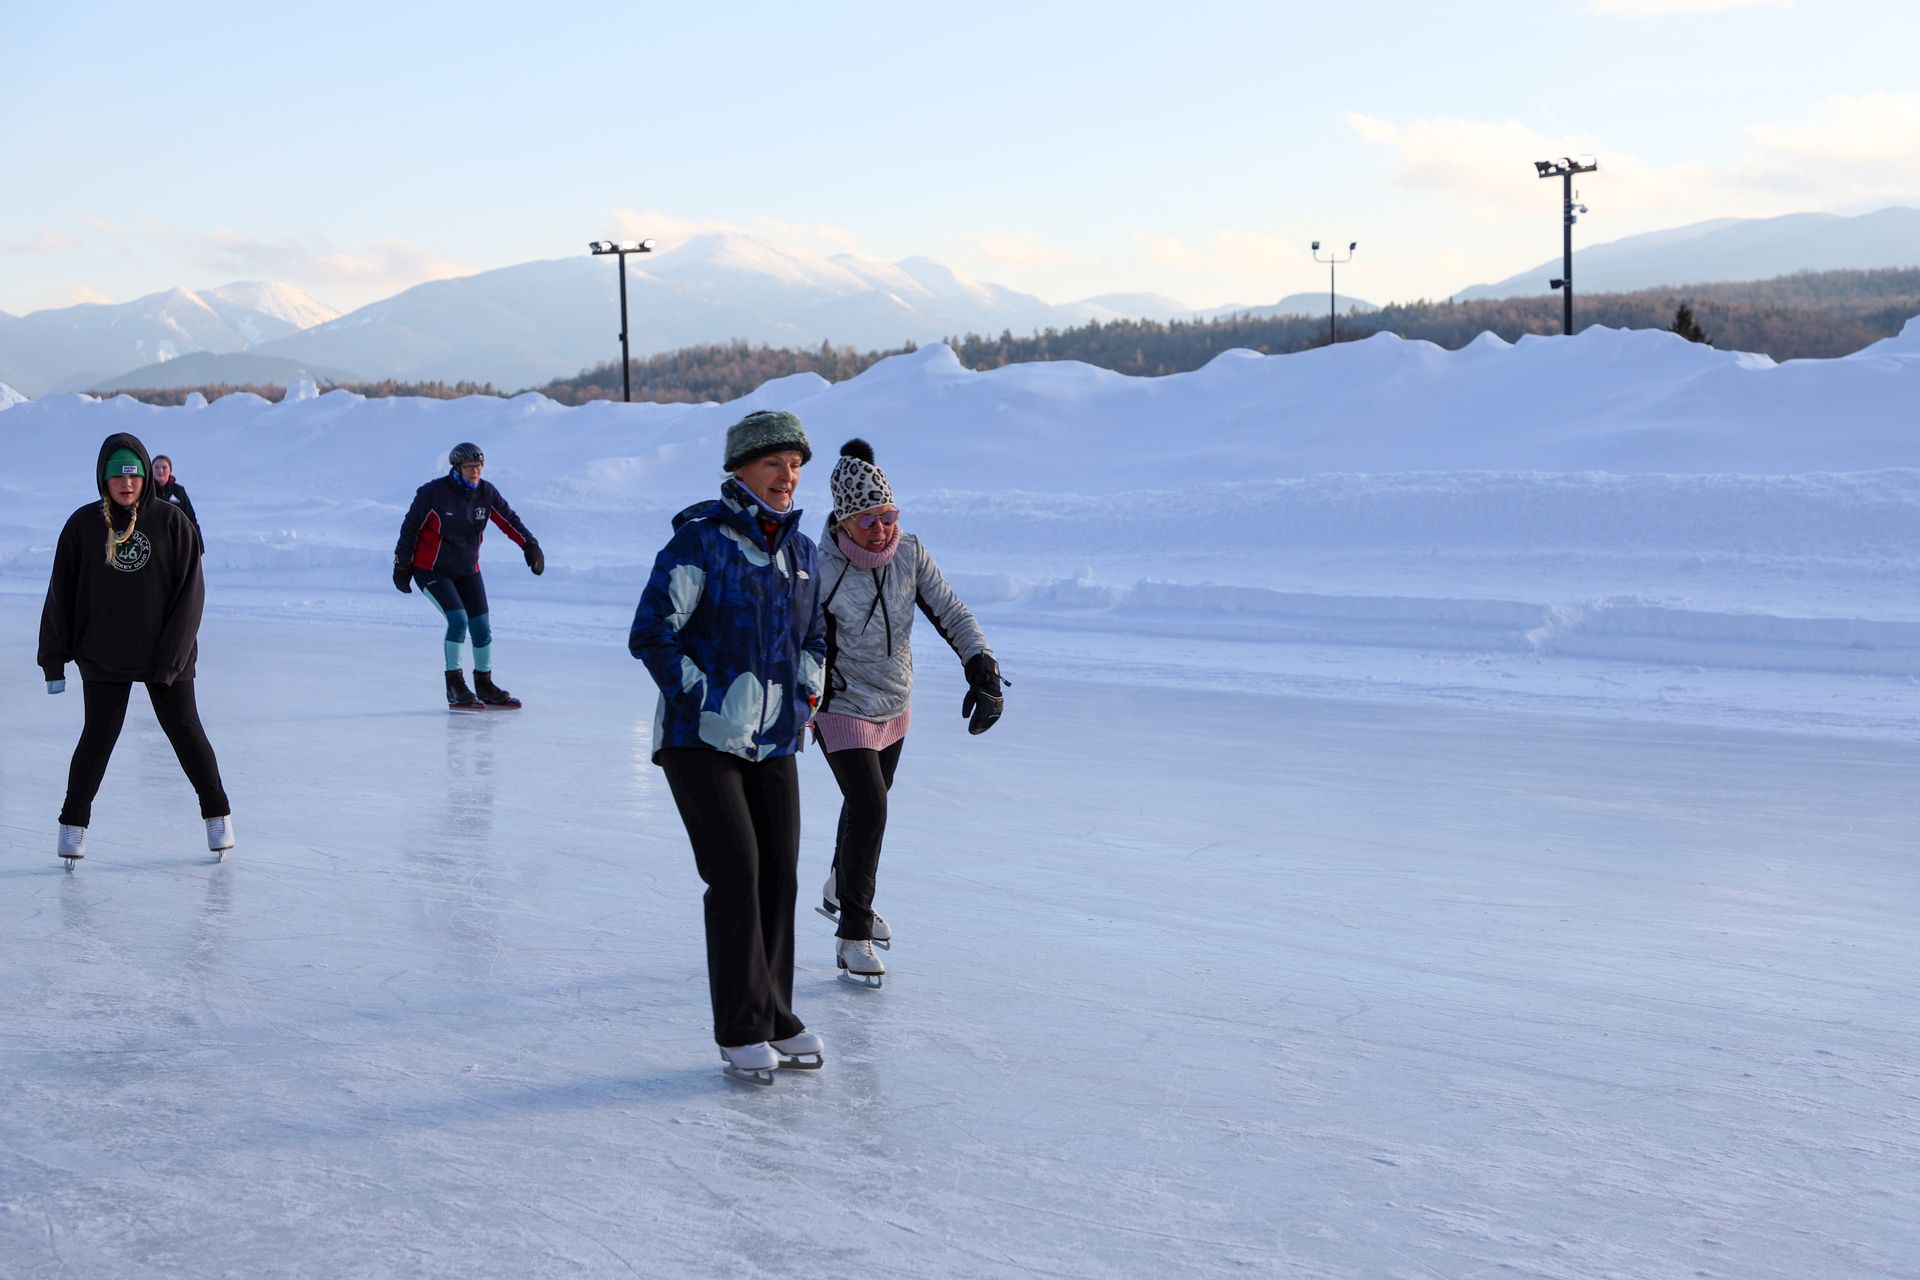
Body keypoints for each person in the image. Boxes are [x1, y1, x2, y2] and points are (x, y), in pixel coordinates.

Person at [628, 409, 829, 1085]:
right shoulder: (700, 543)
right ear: (740, 470)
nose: (787, 477)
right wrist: (705, 703)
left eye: (796, 466)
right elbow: (652, 633)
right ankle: (741, 1029)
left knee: (780, 876)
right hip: (699, 741)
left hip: (774, 741)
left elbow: (817, 638)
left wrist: (805, 696)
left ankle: (775, 1013)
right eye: (774, 464)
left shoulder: (803, 554)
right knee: (737, 875)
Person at [811, 439, 1004, 987]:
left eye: (889, 515)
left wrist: (982, 666)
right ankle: (853, 933)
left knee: (865, 804)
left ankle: (837, 886)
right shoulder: (820, 569)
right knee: (870, 807)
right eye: (869, 519)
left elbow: (951, 610)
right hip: (840, 704)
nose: (882, 529)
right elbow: (798, 640)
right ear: (845, 521)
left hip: (893, 702)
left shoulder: (910, 553)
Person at [38, 432, 234, 864]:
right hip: (104, 652)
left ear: (146, 475)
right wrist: (54, 659)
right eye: (117, 475)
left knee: (185, 732)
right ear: (102, 479)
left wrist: (172, 658)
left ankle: (217, 815)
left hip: (167, 653)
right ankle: (73, 825)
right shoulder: (83, 526)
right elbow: (61, 593)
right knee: (98, 737)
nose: (126, 483)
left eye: (134, 474)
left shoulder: (171, 522)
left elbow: (191, 596)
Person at [393, 442, 545, 710]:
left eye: (479, 466)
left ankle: (484, 684)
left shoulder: (486, 493)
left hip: (467, 571)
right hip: (431, 570)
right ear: (456, 468)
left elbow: (509, 520)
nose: (475, 472)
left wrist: (529, 544)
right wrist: (401, 565)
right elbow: (410, 528)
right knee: (458, 620)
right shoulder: (433, 493)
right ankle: (454, 685)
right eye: (469, 467)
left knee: (482, 627)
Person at [150, 454, 200, 534]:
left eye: (164, 467)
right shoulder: (147, 491)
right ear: (151, 470)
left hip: (176, 539)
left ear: (170, 470)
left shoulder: (179, 491)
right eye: (157, 467)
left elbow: (191, 520)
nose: (160, 470)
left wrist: (198, 545)